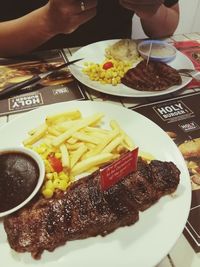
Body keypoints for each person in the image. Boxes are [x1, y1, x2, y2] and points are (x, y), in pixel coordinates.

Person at [0, 0, 179, 57]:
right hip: (28, 78)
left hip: (122, 77)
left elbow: (169, 26)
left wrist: (152, 10)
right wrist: (47, 22)